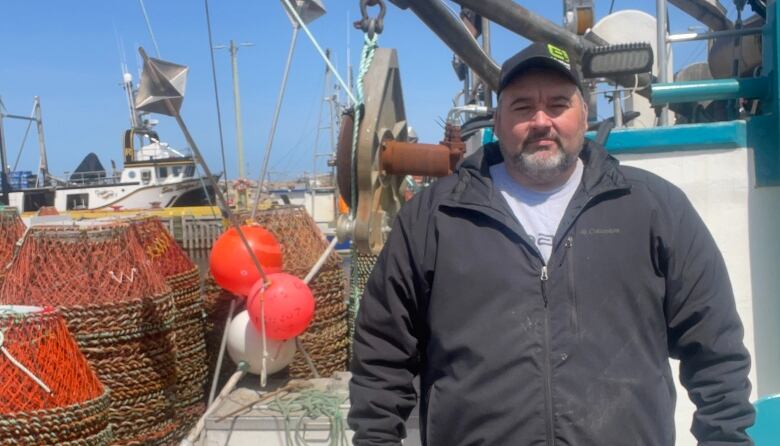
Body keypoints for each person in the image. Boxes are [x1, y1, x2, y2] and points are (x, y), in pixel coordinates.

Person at [348, 42, 755, 445]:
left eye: (558, 104)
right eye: (523, 107)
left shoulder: (654, 209)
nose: (541, 121)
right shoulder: (433, 217)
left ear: (583, 114)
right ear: (500, 119)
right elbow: (383, 356)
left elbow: (715, 346)